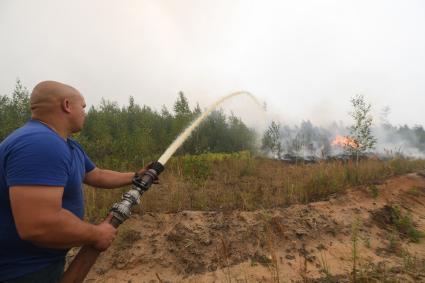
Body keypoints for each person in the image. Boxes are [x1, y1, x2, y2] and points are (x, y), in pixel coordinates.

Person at [0, 81, 151, 283]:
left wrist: (135, 176)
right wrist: (96, 235)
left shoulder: (66, 144)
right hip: (22, 271)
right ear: (67, 105)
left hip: (42, 264)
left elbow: (95, 174)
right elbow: (38, 224)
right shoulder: (39, 143)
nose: (85, 113)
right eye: (83, 106)